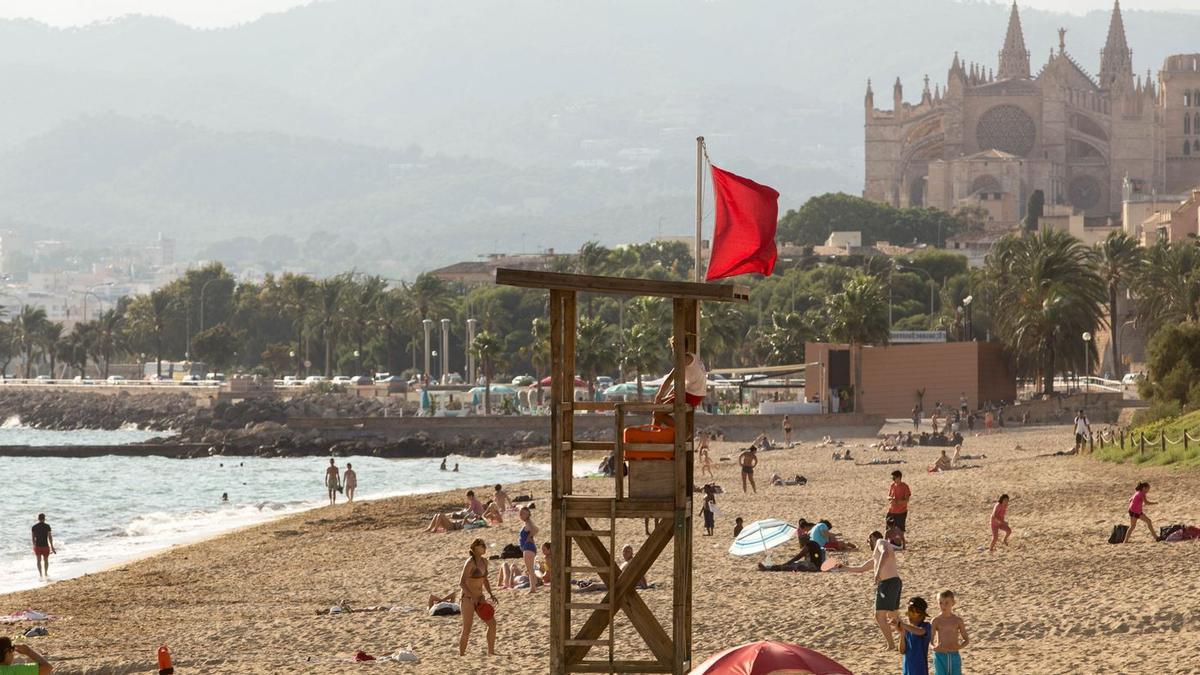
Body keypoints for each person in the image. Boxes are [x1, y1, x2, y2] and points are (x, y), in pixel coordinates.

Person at [843, 530, 903, 651]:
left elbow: (885, 553)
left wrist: (878, 572)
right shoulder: (877, 556)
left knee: (879, 615)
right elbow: (861, 569)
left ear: (872, 537)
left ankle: (891, 645)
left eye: (868, 540)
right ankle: (907, 638)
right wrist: (843, 568)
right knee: (893, 615)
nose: (868, 543)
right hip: (894, 582)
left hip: (888, 583)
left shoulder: (881, 542)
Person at [651, 336, 707, 427]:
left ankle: (681, 431)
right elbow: (678, 384)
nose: (673, 351)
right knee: (659, 407)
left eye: (673, 348)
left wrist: (658, 396)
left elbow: (670, 379)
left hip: (692, 395)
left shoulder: (683, 359)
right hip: (696, 394)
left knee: (657, 413)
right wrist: (666, 397)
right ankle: (654, 434)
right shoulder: (693, 357)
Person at [458, 538, 498, 656]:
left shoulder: (485, 561)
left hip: (480, 598)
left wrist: (490, 594)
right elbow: (462, 583)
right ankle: (461, 655)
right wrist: (472, 597)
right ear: (475, 548)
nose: (485, 547)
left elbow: (485, 580)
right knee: (467, 629)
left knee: (492, 624)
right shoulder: (470, 562)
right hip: (468, 599)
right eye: (482, 545)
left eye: (485, 545)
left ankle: (491, 652)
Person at [931, 590, 969, 675]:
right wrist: (934, 647)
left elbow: (966, 639)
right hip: (940, 655)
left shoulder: (958, 620)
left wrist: (959, 646)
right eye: (940, 603)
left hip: (954, 654)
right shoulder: (936, 620)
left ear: (953, 603)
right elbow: (931, 640)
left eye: (946, 603)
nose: (943, 606)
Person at [896, 596, 931, 675]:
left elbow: (920, 631)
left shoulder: (926, 626)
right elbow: (902, 650)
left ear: (921, 614)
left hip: (920, 670)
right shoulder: (907, 628)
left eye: (913, 613)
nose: (909, 616)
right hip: (907, 669)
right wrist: (902, 633)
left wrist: (902, 625)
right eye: (908, 612)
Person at [518, 507, 540, 592]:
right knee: (531, 569)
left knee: (530, 570)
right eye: (520, 513)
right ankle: (533, 587)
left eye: (522, 513)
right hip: (529, 548)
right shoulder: (528, 523)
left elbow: (536, 529)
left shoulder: (528, 523)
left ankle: (533, 588)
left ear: (527, 514)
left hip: (528, 548)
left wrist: (530, 537)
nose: (520, 515)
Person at [887, 470, 910, 548]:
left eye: (894, 477)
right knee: (889, 527)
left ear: (899, 477)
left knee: (900, 528)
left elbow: (907, 500)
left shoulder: (905, 486)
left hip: (901, 511)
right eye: (892, 478)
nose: (893, 479)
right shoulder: (892, 485)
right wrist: (891, 498)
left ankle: (902, 544)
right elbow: (888, 496)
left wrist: (897, 502)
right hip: (892, 510)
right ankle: (890, 542)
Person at [31, 514, 55, 579]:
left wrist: (34, 546)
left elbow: (33, 538)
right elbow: (50, 537)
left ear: (38, 518)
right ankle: (46, 573)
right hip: (45, 546)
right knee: (46, 560)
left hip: (38, 546)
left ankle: (41, 574)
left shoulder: (34, 527)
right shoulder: (47, 526)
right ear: (44, 518)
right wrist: (52, 547)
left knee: (38, 561)